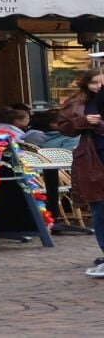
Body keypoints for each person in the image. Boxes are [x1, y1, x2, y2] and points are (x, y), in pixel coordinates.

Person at [56, 70, 104, 276]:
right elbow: (64, 127)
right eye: (94, 83)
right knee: (100, 207)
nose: (99, 86)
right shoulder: (79, 102)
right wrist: (83, 121)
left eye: (102, 82)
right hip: (93, 158)